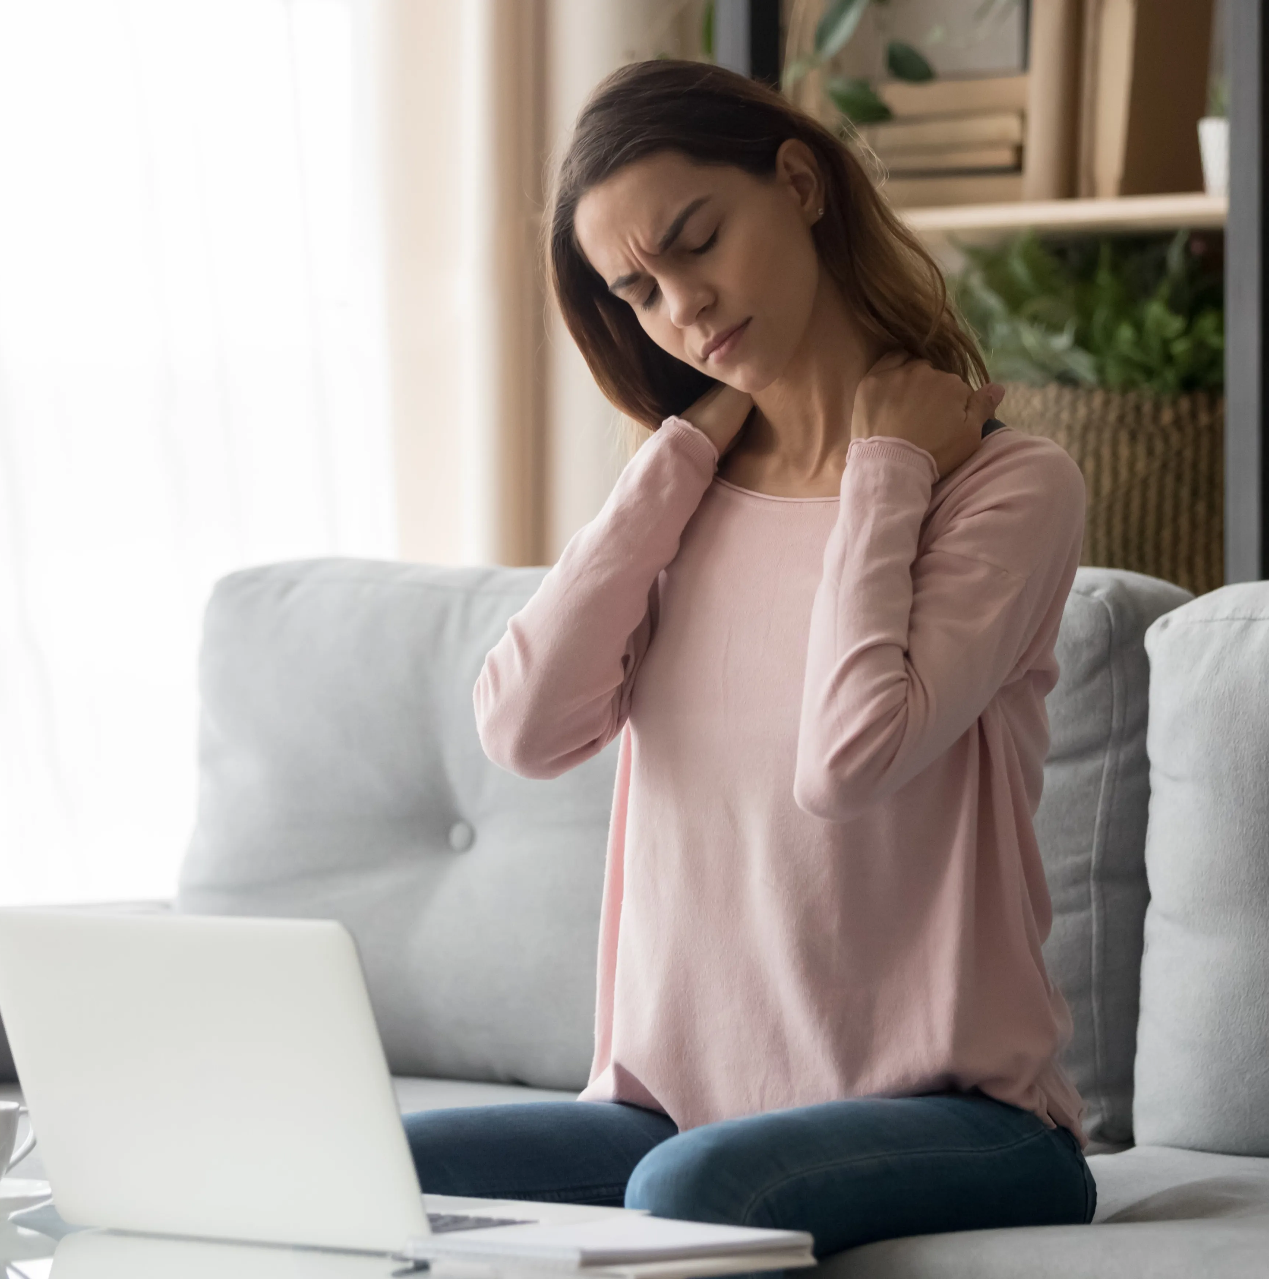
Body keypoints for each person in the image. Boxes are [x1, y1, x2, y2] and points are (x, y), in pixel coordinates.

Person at [405, 58, 1094, 1264]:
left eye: (697, 241)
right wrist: (674, 460)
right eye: (639, 290)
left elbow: (851, 755)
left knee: (685, 1191)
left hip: (962, 1120)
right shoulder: (682, 502)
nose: (684, 306)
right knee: (358, 1161)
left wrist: (887, 471)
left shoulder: (1005, 487)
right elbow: (522, 727)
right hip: (674, 1113)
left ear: (797, 182)